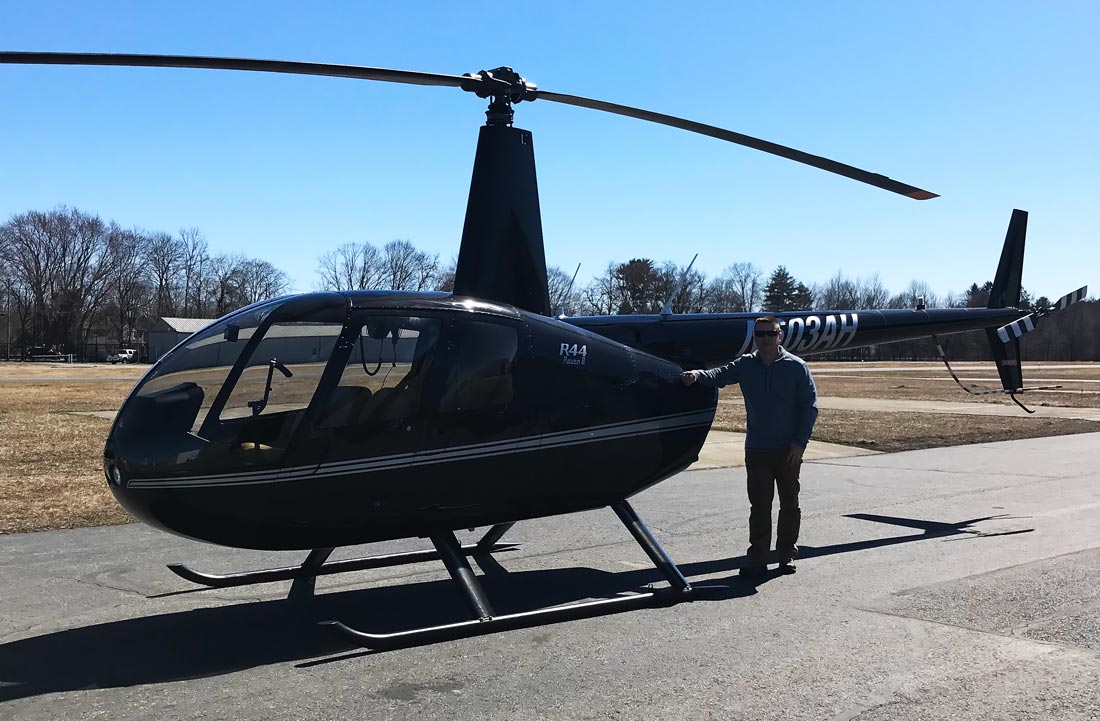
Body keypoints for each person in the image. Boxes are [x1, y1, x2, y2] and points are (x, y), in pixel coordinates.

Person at [681, 316, 818, 576]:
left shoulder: (797, 367)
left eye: (771, 334)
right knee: (759, 506)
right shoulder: (746, 365)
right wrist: (696, 375)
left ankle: (786, 554)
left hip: (788, 451)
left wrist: (800, 443)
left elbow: (809, 407)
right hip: (757, 449)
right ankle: (757, 558)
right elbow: (718, 375)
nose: (765, 339)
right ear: (755, 338)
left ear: (780, 336)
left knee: (790, 503)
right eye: (760, 334)